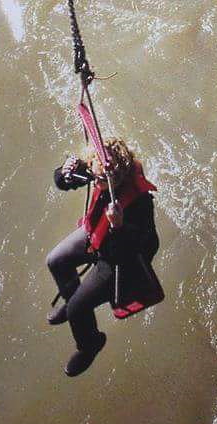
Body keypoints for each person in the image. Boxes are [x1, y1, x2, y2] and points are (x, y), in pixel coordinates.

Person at [46, 138, 158, 377]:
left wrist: (118, 226)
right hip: (97, 235)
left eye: (98, 180)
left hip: (118, 256)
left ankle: (90, 344)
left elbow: (132, 251)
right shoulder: (99, 170)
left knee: (77, 309)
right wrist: (64, 172)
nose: (94, 182)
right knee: (56, 260)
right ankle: (72, 298)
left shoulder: (139, 204)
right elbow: (62, 182)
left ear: (115, 179)